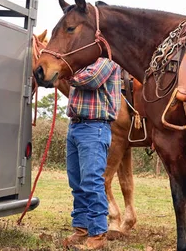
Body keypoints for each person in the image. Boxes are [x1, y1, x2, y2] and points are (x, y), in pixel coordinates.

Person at [62, 57, 122, 250]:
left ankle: (97, 234)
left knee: (92, 181)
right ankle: (82, 228)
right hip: (76, 126)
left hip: (94, 126)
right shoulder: (81, 63)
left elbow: (92, 79)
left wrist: (66, 72)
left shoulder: (106, 60)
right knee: (77, 182)